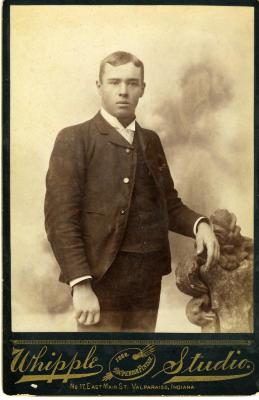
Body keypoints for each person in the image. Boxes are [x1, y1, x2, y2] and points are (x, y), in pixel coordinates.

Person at [44, 51, 220, 332]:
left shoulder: (150, 140)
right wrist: (80, 284)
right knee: (99, 369)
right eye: (114, 82)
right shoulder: (74, 139)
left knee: (140, 366)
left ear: (142, 89)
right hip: (100, 282)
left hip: (146, 281)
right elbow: (60, 220)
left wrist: (201, 225)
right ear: (99, 86)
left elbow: (169, 205)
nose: (123, 91)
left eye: (132, 83)